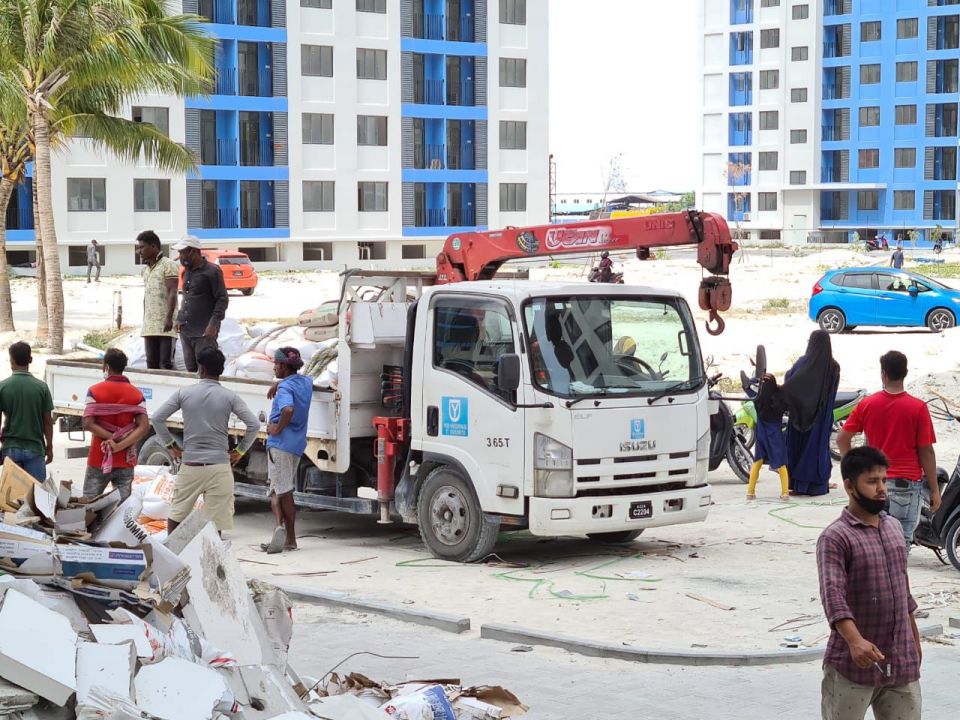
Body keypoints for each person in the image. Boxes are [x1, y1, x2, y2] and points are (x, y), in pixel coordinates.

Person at [817, 446, 922, 720]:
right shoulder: (835, 537)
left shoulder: (894, 528)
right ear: (850, 486)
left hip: (901, 662)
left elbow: (903, 589)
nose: (882, 489)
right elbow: (833, 596)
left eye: (884, 480)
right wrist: (855, 641)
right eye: (872, 482)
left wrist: (915, 639)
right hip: (852, 664)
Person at [837, 351, 939, 550]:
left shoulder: (867, 404)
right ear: (905, 373)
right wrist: (934, 489)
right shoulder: (918, 408)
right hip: (906, 485)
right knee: (901, 545)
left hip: (871, 482)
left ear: (883, 374)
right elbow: (926, 451)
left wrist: (852, 472)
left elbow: (842, 439)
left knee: (871, 542)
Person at [151, 347, 259, 535]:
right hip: (219, 466)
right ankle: (211, 559)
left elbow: (157, 418)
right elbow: (254, 425)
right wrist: (240, 451)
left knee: (177, 514)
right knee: (215, 523)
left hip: (191, 464)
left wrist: (171, 446)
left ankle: (175, 556)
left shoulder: (183, 393)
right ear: (221, 370)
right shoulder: (229, 396)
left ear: (200, 369)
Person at [261, 348, 313, 554]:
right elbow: (305, 384)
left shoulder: (284, 390)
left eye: (275, 364)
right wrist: (280, 383)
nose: (273, 367)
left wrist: (276, 428)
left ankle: (283, 534)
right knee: (283, 488)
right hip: (297, 444)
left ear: (283, 366)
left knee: (279, 491)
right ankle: (284, 536)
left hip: (280, 444)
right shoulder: (305, 383)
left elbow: (288, 410)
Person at [82, 349, 149, 500]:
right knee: (122, 508)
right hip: (125, 459)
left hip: (99, 456)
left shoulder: (94, 391)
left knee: (89, 503)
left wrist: (112, 439)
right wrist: (120, 444)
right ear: (124, 367)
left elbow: (88, 423)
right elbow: (144, 426)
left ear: (106, 366)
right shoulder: (136, 394)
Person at [782, 330, 840, 496]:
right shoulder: (833, 367)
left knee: (799, 449)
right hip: (821, 417)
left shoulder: (802, 363)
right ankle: (818, 485)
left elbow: (789, 381)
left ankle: (797, 486)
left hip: (800, 416)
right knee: (816, 450)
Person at [173, 236, 227, 373]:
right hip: (186, 330)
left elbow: (222, 299)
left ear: (193, 251)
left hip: (204, 332)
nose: (180, 256)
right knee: (191, 369)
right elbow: (186, 297)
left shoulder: (212, 271)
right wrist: (180, 317)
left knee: (206, 371)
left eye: (182, 252)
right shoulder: (186, 272)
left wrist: (213, 324)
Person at [0, 342, 53, 480]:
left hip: (11, 448)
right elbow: (48, 421)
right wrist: (50, 447)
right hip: (35, 448)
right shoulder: (42, 388)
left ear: (11, 361)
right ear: (30, 359)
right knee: (37, 496)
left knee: (11, 498)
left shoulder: (3, 387)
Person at [137, 231, 180, 370]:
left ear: (154, 246)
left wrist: (169, 318)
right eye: (139, 248)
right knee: (151, 364)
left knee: (165, 364)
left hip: (165, 325)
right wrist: (145, 319)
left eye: (142, 247)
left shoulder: (168, 265)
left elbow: (172, 292)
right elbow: (147, 296)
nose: (139, 251)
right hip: (149, 326)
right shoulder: (145, 270)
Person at [746, 374, 790, 502]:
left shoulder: (758, 399)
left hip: (761, 434)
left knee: (757, 462)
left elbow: (748, 388)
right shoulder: (780, 399)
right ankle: (785, 493)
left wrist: (752, 382)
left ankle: (750, 492)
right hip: (775, 434)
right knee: (781, 464)